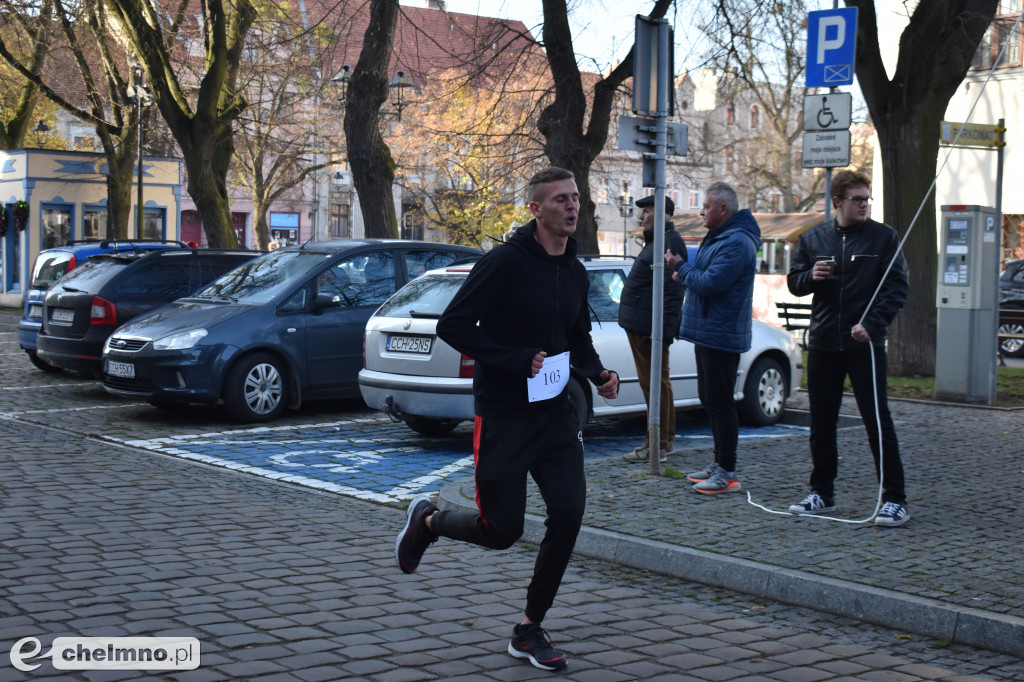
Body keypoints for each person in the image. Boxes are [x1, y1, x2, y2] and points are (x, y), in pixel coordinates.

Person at [394, 166, 619, 671]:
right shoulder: (504, 263)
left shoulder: (576, 271)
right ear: (536, 208)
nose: (571, 206)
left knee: (568, 514)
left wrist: (599, 372)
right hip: (505, 416)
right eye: (560, 199)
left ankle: (528, 627)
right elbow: (453, 326)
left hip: (556, 416)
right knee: (503, 530)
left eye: (575, 198)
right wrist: (517, 359)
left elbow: (575, 338)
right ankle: (428, 521)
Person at [786, 170, 910, 527]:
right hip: (824, 342)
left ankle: (894, 498)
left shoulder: (883, 238)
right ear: (837, 202)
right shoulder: (813, 239)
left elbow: (897, 289)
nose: (864, 205)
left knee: (877, 421)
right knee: (822, 423)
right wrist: (812, 277)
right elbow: (794, 283)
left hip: (864, 346)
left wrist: (872, 325)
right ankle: (821, 493)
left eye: (867, 198)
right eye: (857, 199)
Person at [665, 182, 760, 494]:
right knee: (709, 398)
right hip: (708, 332)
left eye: (705, 206)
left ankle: (727, 472)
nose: (700, 211)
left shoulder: (738, 242)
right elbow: (702, 276)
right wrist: (687, 273)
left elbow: (710, 283)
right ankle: (719, 463)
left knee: (720, 403)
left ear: (723, 209)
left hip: (722, 334)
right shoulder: (720, 237)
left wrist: (681, 267)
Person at [618, 194, 687, 463]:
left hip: (649, 328)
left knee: (654, 385)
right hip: (646, 325)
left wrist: (662, 332)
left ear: (662, 213)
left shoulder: (667, 243)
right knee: (660, 383)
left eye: (647, 212)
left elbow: (672, 293)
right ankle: (664, 441)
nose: (642, 216)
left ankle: (655, 445)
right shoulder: (660, 242)